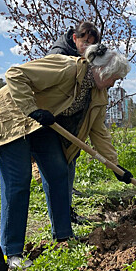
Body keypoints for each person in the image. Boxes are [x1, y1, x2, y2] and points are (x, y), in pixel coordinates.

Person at [0, 44, 132, 268]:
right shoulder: (66, 67)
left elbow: (98, 130)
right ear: (103, 71)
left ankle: (63, 236)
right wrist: (32, 109)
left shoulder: (98, 93)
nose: (113, 84)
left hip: (42, 126)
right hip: (13, 120)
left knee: (58, 172)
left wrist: (116, 167)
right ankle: (11, 253)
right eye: (114, 79)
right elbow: (15, 74)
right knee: (18, 181)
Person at [47, 21, 100, 224]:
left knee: (69, 166)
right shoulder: (58, 55)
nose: (88, 48)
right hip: (52, 121)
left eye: (92, 44)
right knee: (58, 171)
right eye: (85, 42)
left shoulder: (86, 56)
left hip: (71, 122)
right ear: (75, 38)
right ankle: (61, 217)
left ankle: (65, 211)